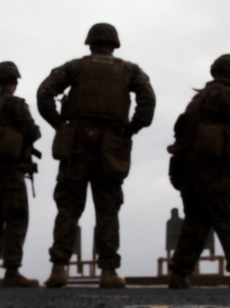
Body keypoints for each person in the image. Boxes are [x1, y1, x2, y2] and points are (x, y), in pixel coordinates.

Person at [37, 22, 155, 288]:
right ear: (114, 45)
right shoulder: (129, 70)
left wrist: (59, 124)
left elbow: (44, 93)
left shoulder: (75, 67)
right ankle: (108, 272)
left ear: (90, 44)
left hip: (77, 145)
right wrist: (130, 129)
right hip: (111, 149)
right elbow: (148, 101)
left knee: (68, 208)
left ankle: (58, 269)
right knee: (108, 209)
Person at [166, 54, 230, 289]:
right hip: (211, 169)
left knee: (196, 220)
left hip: (186, 169)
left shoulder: (199, 98)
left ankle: (179, 273)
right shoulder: (225, 94)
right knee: (228, 218)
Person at [0, 61, 42, 287]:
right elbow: (32, 132)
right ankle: (12, 271)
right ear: (14, 81)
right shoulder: (14, 105)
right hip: (10, 170)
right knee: (17, 217)